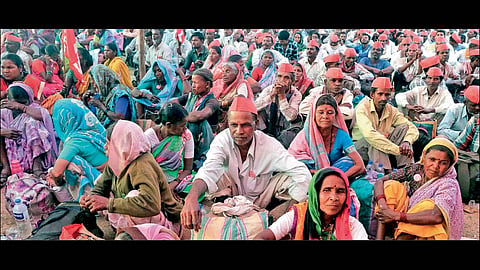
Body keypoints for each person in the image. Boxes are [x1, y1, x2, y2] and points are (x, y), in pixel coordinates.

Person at [180, 96, 312, 232]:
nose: (239, 131)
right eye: (234, 125)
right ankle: (219, 217)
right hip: (230, 196)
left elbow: (301, 172)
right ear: (228, 124)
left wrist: (288, 210)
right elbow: (209, 169)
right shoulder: (222, 140)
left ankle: (271, 220)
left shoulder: (268, 144)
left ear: (256, 124)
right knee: (210, 177)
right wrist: (192, 197)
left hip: (261, 199)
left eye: (245, 125)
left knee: (294, 178)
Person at [79, 120, 184, 237]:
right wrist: (90, 199)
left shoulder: (142, 165)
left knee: (133, 196)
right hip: (137, 216)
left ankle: (138, 235)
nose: (105, 146)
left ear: (120, 145)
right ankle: (124, 231)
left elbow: (151, 205)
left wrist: (109, 203)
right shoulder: (118, 161)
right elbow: (101, 187)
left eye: (109, 143)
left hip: (162, 222)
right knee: (100, 184)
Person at [374, 137, 463, 240]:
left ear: (450, 165)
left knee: (427, 205)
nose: (435, 166)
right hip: (403, 214)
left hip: (424, 224)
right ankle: (380, 237)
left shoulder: (448, 184)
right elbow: (380, 181)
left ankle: (402, 237)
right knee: (391, 186)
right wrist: (383, 207)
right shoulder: (415, 169)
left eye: (443, 163)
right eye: (432, 159)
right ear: (424, 156)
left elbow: (436, 216)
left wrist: (396, 216)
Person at [254, 167, 368, 240]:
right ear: (315, 194)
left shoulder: (352, 226)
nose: (334, 198)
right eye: (326, 190)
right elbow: (263, 237)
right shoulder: (297, 216)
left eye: (340, 191)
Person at [289, 94, 365, 179]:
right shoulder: (304, 136)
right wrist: (316, 173)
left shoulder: (341, 135)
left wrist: (337, 178)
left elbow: (360, 166)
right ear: (314, 114)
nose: (325, 116)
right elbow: (292, 163)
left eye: (330, 113)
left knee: (349, 162)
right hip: (311, 177)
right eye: (321, 112)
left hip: (336, 175)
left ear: (335, 115)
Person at [352, 77, 418, 173]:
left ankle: (406, 170)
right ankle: (385, 173)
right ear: (372, 95)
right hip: (361, 147)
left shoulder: (391, 109)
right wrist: (398, 150)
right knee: (376, 139)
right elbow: (370, 135)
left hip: (385, 145)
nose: (383, 98)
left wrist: (406, 142)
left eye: (387, 95)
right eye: (380, 94)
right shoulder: (362, 108)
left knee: (404, 127)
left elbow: (412, 127)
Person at [48, 98, 108, 201]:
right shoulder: (93, 131)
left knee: (70, 164)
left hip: (103, 185)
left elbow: (57, 173)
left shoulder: (74, 141)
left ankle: (83, 199)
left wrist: (56, 181)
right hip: (112, 177)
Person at [0, 82, 57, 185]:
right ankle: (6, 168)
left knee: (33, 124)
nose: (14, 106)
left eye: (22, 102)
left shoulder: (33, 108)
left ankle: (37, 167)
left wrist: (21, 107)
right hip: (11, 156)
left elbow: (43, 116)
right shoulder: (5, 112)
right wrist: (3, 132)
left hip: (30, 151)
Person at [144, 103, 194, 201]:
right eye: (182, 126)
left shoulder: (186, 135)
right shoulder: (148, 137)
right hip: (153, 177)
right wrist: (164, 186)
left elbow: (188, 169)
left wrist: (173, 184)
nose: (185, 129)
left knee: (196, 185)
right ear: (168, 125)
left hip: (177, 176)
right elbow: (144, 168)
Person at [173, 68, 220, 170]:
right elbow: (174, 102)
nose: (193, 85)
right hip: (191, 135)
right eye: (192, 82)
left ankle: (195, 158)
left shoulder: (212, 101)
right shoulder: (192, 96)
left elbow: (201, 115)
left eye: (195, 83)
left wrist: (179, 117)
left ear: (207, 84)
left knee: (196, 122)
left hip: (205, 140)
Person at [254, 63, 303, 148]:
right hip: (266, 127)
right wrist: (272, 95)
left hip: (284, 130)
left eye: (286, 78)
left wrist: (282, 96)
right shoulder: (269, 90)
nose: (282, 80)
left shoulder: (296, 94)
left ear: (292, 81)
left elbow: (291, 117)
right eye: (279, 76)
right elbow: (254, 107)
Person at [84, 64, 137, 128]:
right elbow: (90, 117)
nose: (94, 86)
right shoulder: (102, 95)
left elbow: (119, 117)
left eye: (95, 82)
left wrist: (101, 106)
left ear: (102, 80)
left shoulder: (120, 93)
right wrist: (85, 101)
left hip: (121, 131)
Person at [211, 61, 254, 132]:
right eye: (223, 71)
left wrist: (224, 103)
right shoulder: (219, 83)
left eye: (227, 71)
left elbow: (241, 97)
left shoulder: (242, 84)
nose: (224, 74)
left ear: (236, 73)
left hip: (234, 116)